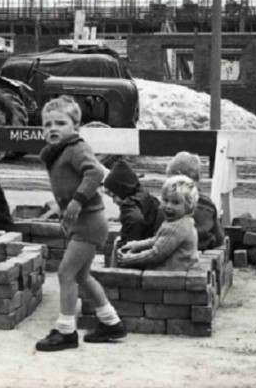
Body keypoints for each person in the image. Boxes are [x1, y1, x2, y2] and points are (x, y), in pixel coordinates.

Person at [35, 96, 126, 351]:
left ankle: (65, 331)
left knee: (65, 273)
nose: (53, 128)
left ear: (75, 127)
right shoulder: (58, 152)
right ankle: (111, 322)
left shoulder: (76, 147)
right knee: (82, 276)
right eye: (47, 124)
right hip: (80, 223)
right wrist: (64, 212)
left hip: (90, 222)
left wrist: (76, 201)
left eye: (61, 123)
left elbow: (95, 172)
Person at [117, 175, 200, 271]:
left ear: (189, 206)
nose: (168, 206)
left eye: (175, 202)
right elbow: (157, 240)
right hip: (178, 270)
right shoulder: (179, 221)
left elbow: (155, 254)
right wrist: (136, 245)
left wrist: (129, 259)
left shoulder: (177, 227)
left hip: (174, 275)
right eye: (165, 200)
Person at [165, 151, 225, 251]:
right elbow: (219, 238)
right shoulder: (208, 204)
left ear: (177, 175)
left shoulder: (168, 205)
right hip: (203, 248)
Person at [103, 158, 162, 248]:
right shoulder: (148, 197)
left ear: (121, 189)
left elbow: (135, 219)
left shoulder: (129, 205)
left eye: (114, 196)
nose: (114, 202)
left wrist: (128, 244)